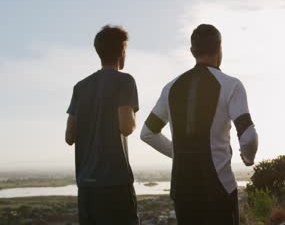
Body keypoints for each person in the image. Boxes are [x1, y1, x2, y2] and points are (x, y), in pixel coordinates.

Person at [141, 24, 258, 225]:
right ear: (219, 48)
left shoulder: (170, 88)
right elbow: (248, 137)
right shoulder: (231, 85)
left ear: (192, 52)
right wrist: (248, 157)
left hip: (182, 190)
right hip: (218, 188)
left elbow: (147, 133)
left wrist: (176, 152)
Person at [65, 25, 140, 225]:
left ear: (98, 51)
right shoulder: (125, 81)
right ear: (122, 51)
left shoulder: (80, 87)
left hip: (87, 187)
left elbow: (69, 137)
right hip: (115, 184)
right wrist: (133, 115)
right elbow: (126, 127)